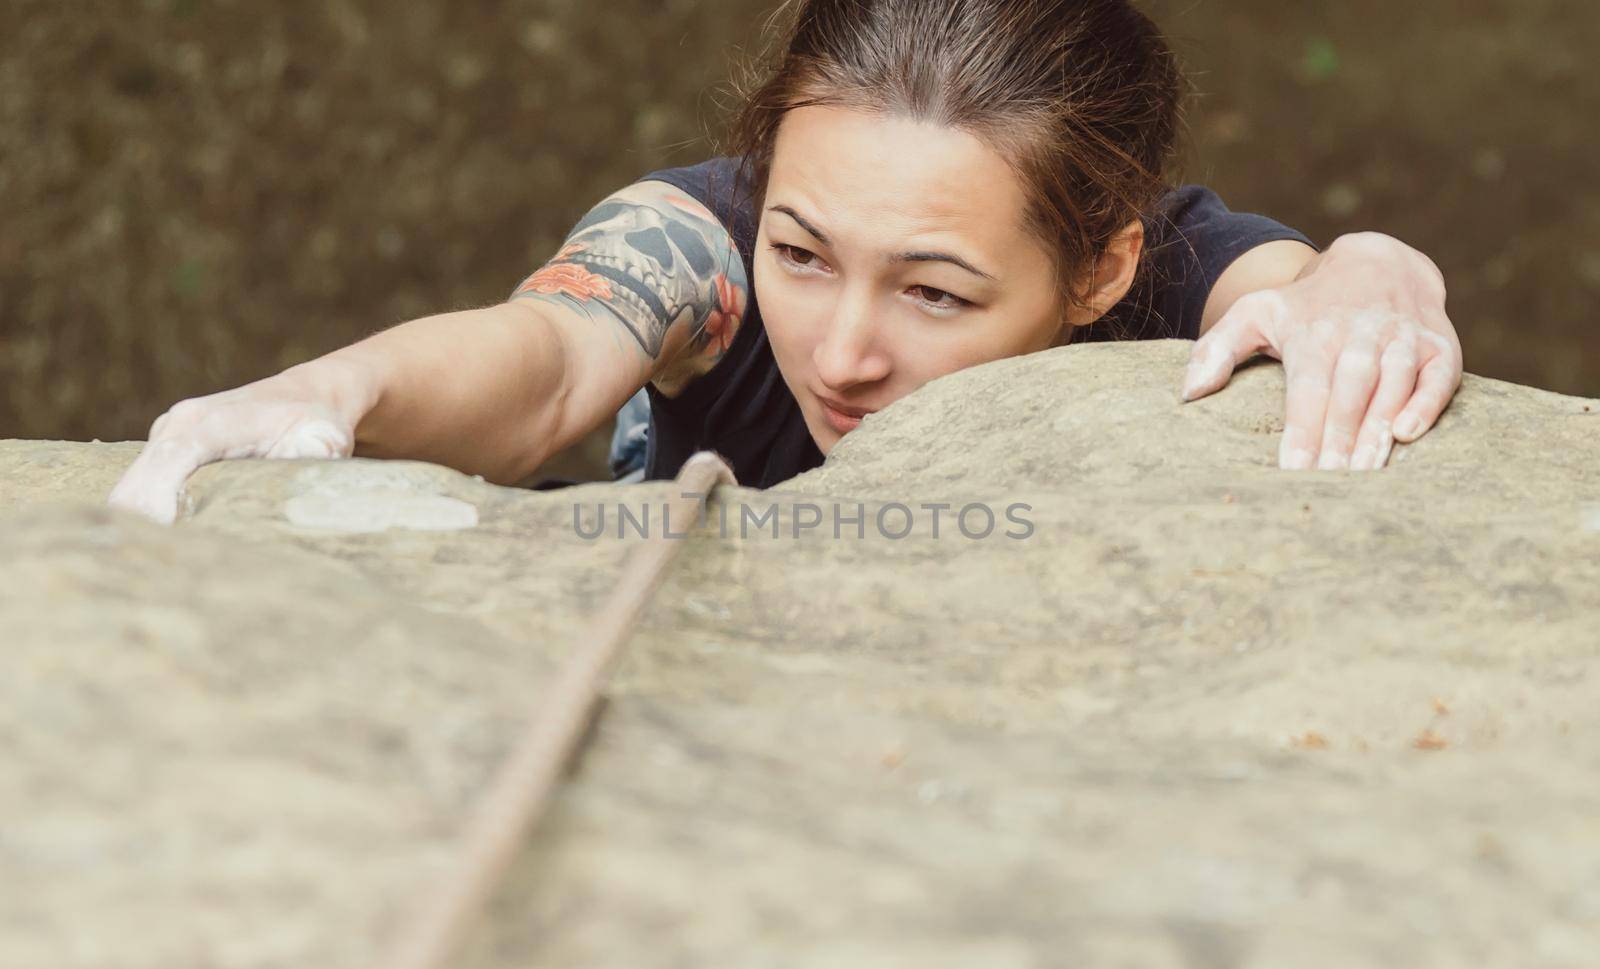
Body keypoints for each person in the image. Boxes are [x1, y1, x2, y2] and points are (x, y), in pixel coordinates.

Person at [109, 0, 1462, 523]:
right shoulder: (699, 241)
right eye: (803, 252)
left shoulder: (1160, 276)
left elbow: (1293, 290)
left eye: (935, 290)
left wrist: (1373, 268)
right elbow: (546, 361)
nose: (840, 349)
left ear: (1099, 274)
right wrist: (330, 394)